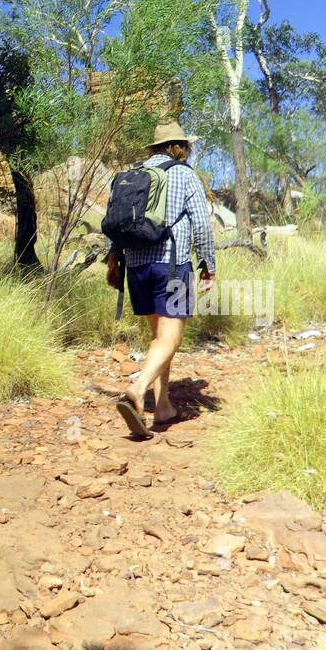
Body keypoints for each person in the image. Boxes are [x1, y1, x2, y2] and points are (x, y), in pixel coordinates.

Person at [106, 122, 216, 436]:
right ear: (179, 146)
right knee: (172, 338)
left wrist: (113, 259)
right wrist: (208, 264)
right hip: (172, 266)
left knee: (159, 339)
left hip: (137, 267)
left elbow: (118, 222)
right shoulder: (184, 174)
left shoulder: (132, 174)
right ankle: (139, 389)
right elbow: (202, 225)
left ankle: (163, 404)